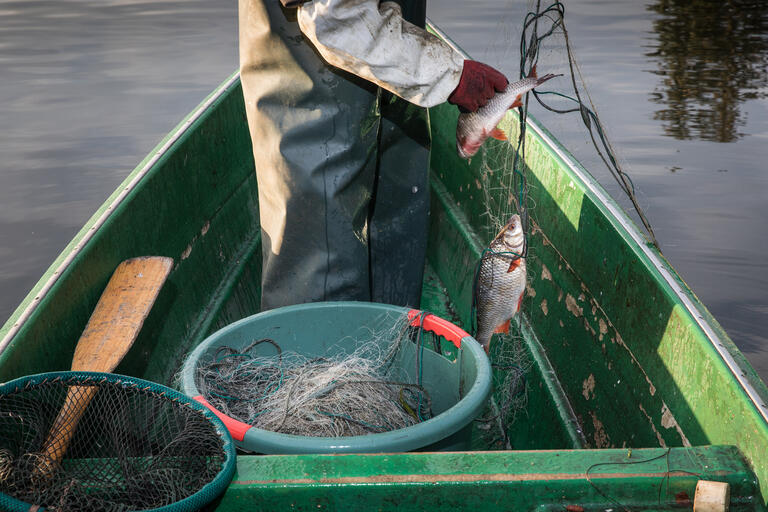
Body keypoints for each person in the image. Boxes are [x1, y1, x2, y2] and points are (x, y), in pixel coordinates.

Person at [240, 0, 508, 311]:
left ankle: (390, 341)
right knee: (322, 268)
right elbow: (334, 16)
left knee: (395, 236)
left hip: (393, 83)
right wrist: (450, 76)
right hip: (309, 98)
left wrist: (439, 72)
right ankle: (316, 358)